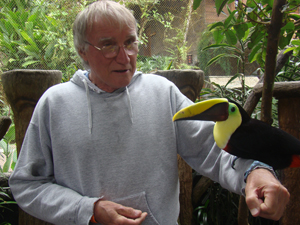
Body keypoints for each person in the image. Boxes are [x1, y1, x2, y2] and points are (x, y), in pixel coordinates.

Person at [9, 1, 290, 224]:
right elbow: (27, 185)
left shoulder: (162, 93)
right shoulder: (54, 104)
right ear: (82, 51)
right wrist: (88, 210)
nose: (124, 56)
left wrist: (254, 172)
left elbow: (213, 150)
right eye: (108, 45)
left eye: (130, 43)